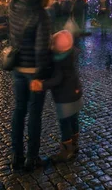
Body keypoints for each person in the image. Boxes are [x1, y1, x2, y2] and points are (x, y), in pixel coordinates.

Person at [8, 0, 53, 172]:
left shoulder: (14, 8)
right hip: (33, 70)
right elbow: (41, 49)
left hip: (17, 68)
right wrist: (40, 75)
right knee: (34, 115)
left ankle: (16, 156)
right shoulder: (41, 14)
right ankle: (31, 158)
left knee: (19, 112)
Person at [31, 30, 83, 163]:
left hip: (64, 97)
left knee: (64, 123)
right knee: (74, 119)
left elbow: (57, 79)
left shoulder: (60, 62)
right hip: (75, 92)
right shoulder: (72, 54)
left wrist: (42, 85)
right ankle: (75, 144)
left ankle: (66, 150)